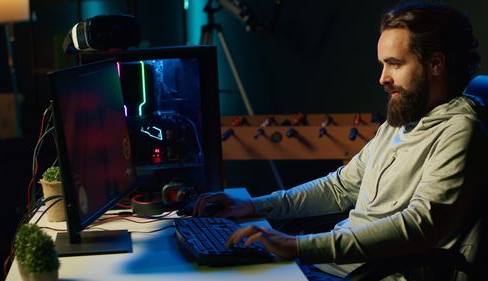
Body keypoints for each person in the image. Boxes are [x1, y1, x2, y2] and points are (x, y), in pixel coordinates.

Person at [194, 2, 487, 280]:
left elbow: (419, 227)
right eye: (382, 65)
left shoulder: (460, 131)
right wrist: (255, 206)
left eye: (394, 64)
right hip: (329, 267)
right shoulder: (402, 120)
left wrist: (297, 246)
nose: (382, 78)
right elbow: (340, 187)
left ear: (435, 63)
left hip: (368, 276)